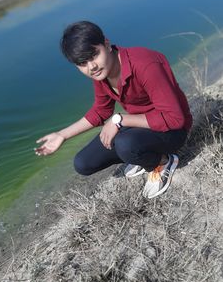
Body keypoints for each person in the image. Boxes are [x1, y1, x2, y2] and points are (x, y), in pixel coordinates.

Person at [35, 21, 192, 199]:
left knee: (126, 145)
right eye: (82, 63)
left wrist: (119, 120)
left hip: (172, 131)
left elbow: (174, 119)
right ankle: (140, 154)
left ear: (107, 44)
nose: (91, 66)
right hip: (141, 128)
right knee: (84, 163)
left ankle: (162, 162)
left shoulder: (145, 63)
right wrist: (62, 135)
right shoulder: (101, 73)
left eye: (94, 55)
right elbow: (100, 111)